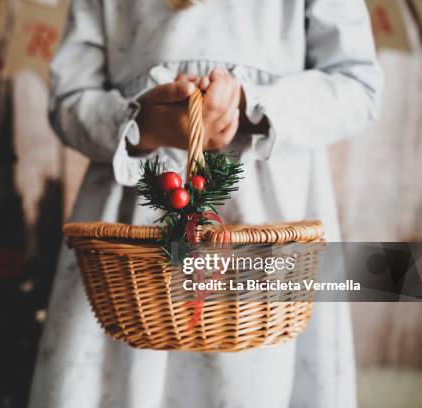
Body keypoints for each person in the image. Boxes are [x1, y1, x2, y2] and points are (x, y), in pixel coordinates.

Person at [29, 0, 382, 407]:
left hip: (267, 220)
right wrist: (145, 126)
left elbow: (359, 87)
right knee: (121, 377)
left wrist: (252, 107)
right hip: (131, 237)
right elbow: (68, 100)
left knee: (258, 375)